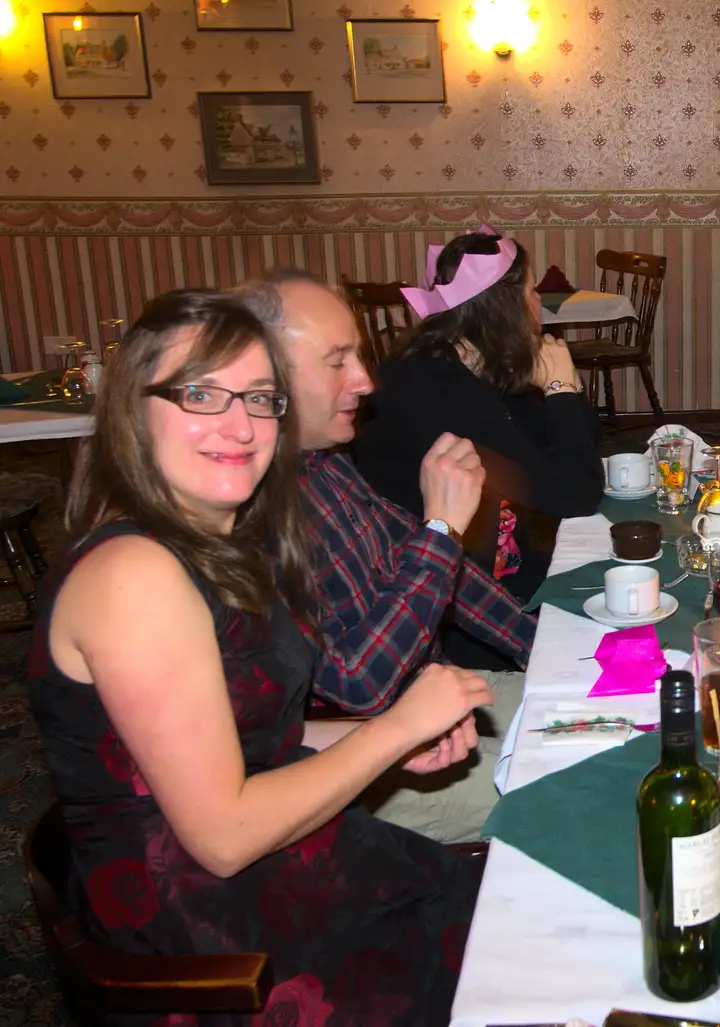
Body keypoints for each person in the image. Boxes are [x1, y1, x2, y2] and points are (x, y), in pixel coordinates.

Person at [27, 290, 491, 1025]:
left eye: (261, 397)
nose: (239, 425)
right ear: (131, 409)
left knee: (525, 914)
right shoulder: (133, 575)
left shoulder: (216, 546)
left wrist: (392, 743)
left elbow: (248, 738)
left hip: (278, 870)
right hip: (217, 941)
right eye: (201, 394)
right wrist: (390, 730)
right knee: (520, 950)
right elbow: (223, 836)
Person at [238, 270, 535, 844]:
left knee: (623, 707)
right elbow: (359, 685)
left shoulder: (321, 462)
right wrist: (443, 526)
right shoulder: (253, 508)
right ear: (262, 376)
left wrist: (546, 645)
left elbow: (433, 570)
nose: (366, 380)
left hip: (422, 689)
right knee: (580, 781)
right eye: (337, 360)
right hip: (353, 761)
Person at [354, 224, 604, 655]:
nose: (537, 302)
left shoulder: (471, 362)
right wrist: (561, 390)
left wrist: (564, 392)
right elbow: (576, 492)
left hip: (489, 568)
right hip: (447, 618)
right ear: (503, 307)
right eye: (529, 290)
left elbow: (574, 456)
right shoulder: (438, 388)